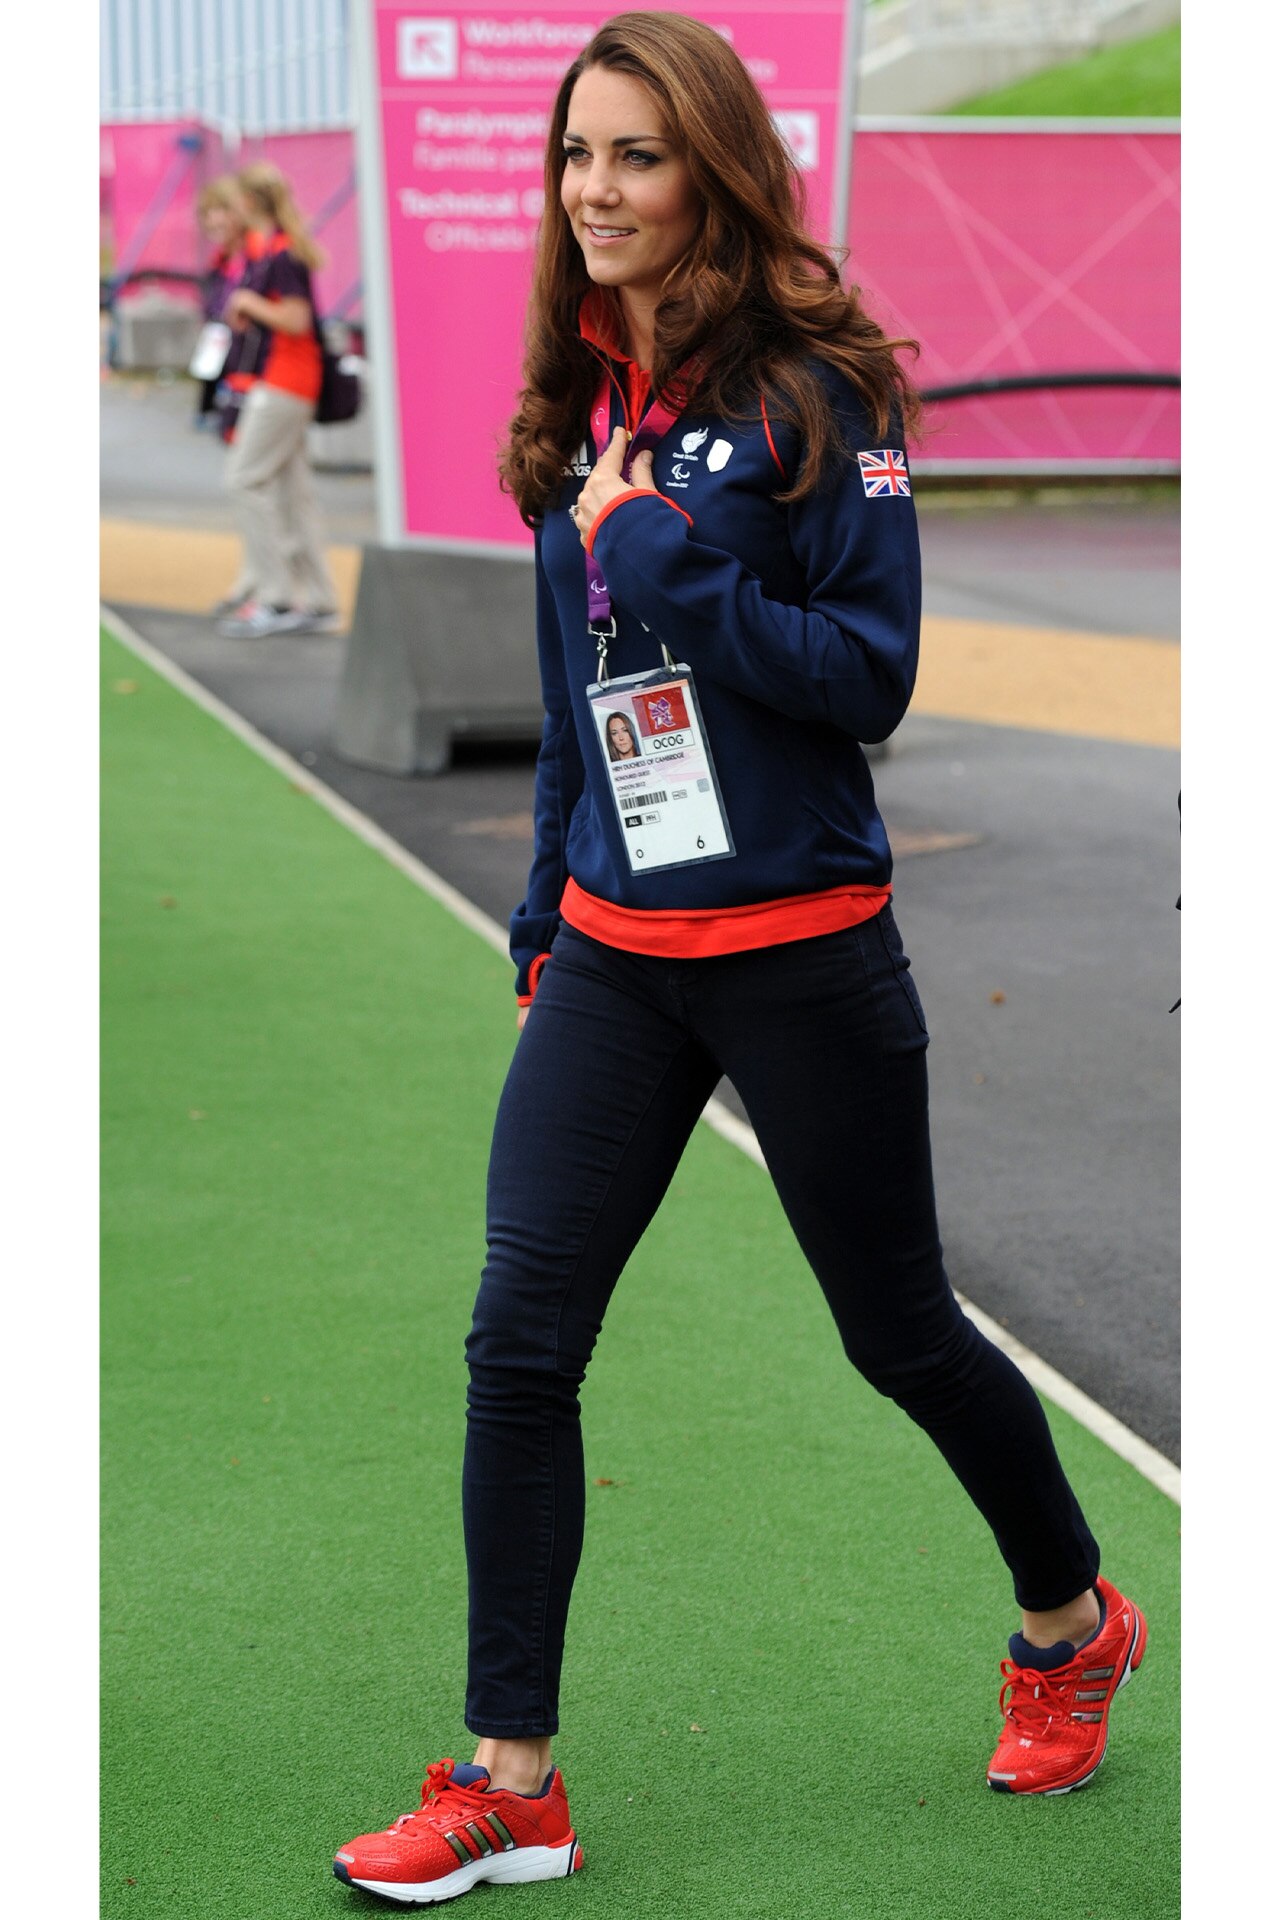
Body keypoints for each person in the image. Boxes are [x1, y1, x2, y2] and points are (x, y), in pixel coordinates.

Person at [333, 12, 1147, 1905]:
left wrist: (671, 559)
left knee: (899, 1335)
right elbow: (573, 695)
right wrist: (544, 908)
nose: (592, 191)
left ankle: (1067, 1619)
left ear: (711, 167)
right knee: (518, 1338)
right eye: (572, 156)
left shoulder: (812, 398)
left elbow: (869, 680)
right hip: (619, 952)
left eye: (633, 155)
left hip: (801, 950)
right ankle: (510, 1781)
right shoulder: (580, 398)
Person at [214, 163, 339, 639]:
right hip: (288, 383)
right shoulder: (275, 251)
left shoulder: (283, 256)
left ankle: (276, 595)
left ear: (248, 203)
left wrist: (247, 304)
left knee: (243, 480)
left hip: (285, 384)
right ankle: (319, 600)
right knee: (292, 495)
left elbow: (295, 319)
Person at [192, 178, 246, 430]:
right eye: (208, 214)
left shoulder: (254, 257)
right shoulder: (220, 261)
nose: (213, 220)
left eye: (220, 212)